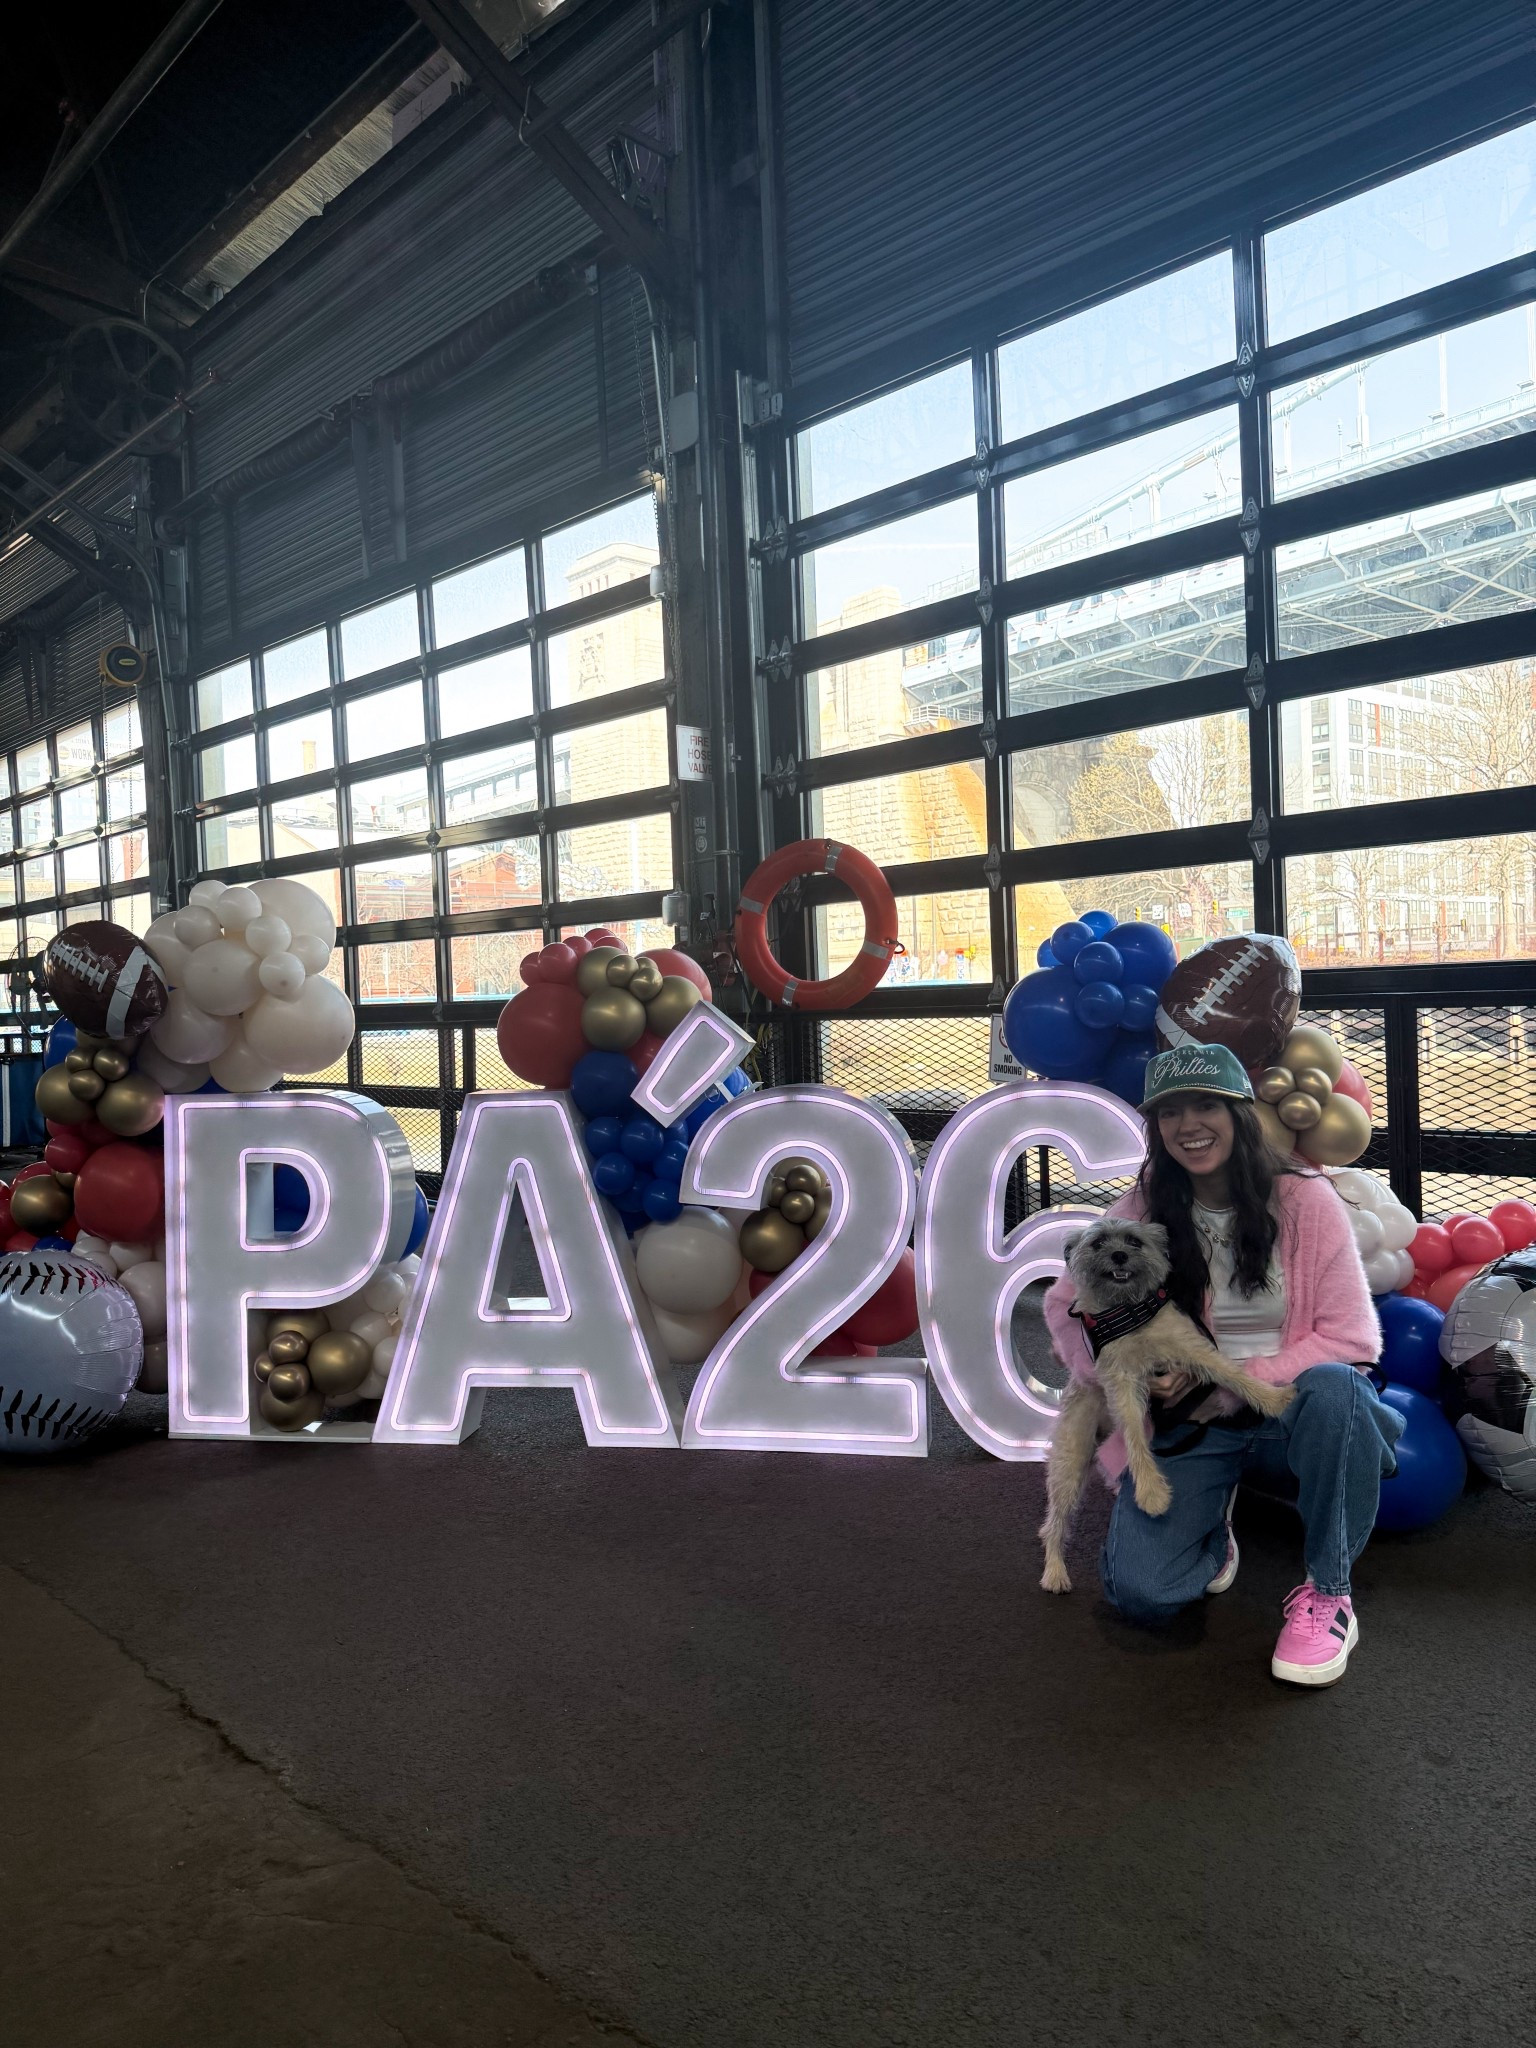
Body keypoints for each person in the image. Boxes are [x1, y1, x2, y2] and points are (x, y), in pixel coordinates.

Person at [1042, 1041, 1404, 1686]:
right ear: (1156, 1127)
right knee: (1142, 1596)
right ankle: (1213, 1519)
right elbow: (1065, 1302)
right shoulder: (1148, 1202)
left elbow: (1351, 1339)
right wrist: (1127, 1374)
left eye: (1206, 1104)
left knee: (1338, 1391)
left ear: (1240, 1112)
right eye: (1171, 1111)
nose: (1189, 1125)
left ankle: (1329, 1591)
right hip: (1191, 1426)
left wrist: (1226, 1383)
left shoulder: (1305, 1199)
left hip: (1284, 1413)